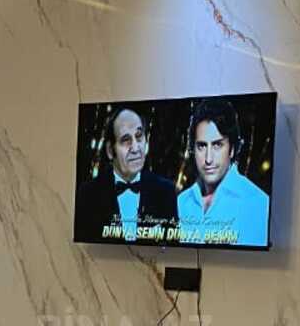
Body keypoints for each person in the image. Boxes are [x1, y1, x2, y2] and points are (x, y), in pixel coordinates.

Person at [175, 99, 271, 246]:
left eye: (217, 145)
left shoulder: (257, 204)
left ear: (232, 149)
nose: (208, 159)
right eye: (201, 146)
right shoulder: (182, 201)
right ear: (193, 149)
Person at [74, 107, 178, 243]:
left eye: (139, 137)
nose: (135, 148)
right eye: (126, 140)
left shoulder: (166, 192)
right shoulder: (88, 194)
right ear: (110, 150)